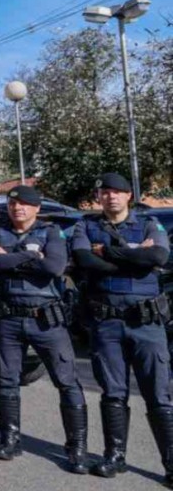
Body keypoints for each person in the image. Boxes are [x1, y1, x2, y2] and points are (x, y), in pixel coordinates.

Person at [70, 173, 173, 483]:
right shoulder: (85, 226)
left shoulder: (149, 224)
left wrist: (109, 252)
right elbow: (84, 260)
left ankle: (171, 464)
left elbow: (157, 255)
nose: (111, 197)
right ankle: (115, 457)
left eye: (118, 192)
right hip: (107, 324)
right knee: (113, 392)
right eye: (105, 192)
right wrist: (133, 256)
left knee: (159, 394)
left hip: (147, 324)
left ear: (129, 195)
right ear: (98, 197)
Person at [0, 185, 87, 473]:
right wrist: (30, 256)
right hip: (8, 319)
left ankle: (76, 449)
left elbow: (53, 267)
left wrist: (10, 257)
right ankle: (10, 439)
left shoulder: (52, 232)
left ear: (37, 208)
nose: (18, 209)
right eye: (13, 204)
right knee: (6, 381)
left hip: (46, 319)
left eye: (25, 204)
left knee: (67, 382)